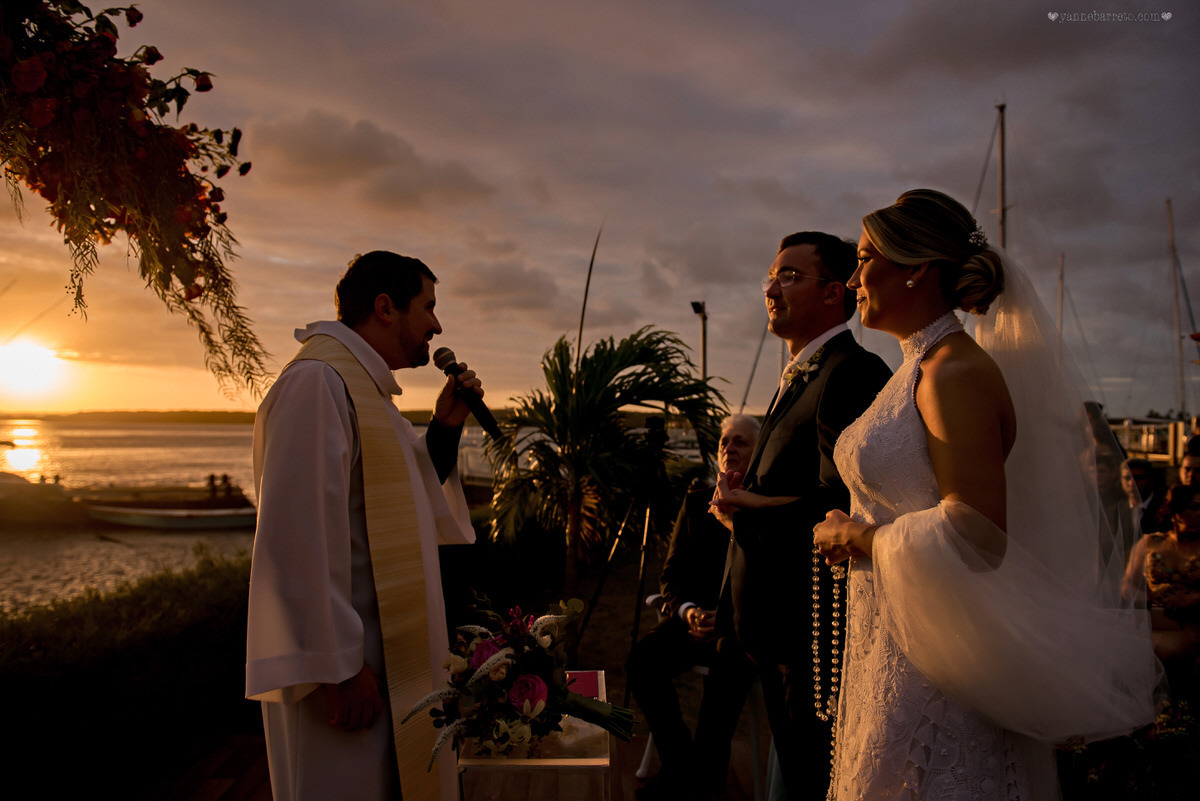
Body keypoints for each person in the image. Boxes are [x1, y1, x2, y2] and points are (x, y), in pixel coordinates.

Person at [813, 189, 1159, 799]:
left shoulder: (954, 371)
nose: (853, 278)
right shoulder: (918, 367)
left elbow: (976, 531)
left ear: (917, 268)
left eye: (865, 259)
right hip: (895, 639)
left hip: (938, 667)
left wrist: (858, 536)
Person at [245, 251, 480, 801]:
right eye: (428, 307)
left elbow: (406, 502)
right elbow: (295, 537)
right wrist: (339, 668)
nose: (437, 327)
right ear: (385, 307)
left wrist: (444, 430)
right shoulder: (316, 384)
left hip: (388, 673)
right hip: (348, 684)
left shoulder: (364, 392)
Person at [712, 231, 891, 801]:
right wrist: (741, 504)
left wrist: (751, 509)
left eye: (789, 276)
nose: (771, 289)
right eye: (771, 276)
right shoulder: (802, 372)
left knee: (815, 783)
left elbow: (842, 507)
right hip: (774, 635)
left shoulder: (851, 372)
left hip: (811, 638)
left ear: (835, 292)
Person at [628, 414, 761, 801]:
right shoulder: (696, 502)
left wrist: (728, 618)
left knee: (724, 679)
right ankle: (681, 765)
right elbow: (670, 576)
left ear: (759, 451)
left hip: (740, 630)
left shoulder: (766, 506)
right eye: (724, 442)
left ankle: (702, 785)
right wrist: (687, 611)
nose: (729, 447)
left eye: (740, 442)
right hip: (692, 622)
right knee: (642, 661)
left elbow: (772, 581)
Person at [1124, 483, 1200, 702]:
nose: (1199, 514)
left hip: (1192, 620)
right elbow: (1127, 584)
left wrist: (1193, 598)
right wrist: (1146, 597)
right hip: (1154, 618)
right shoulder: (1151, 542)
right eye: (1194, 507)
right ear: (1176, 511)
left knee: (1170, 652)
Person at [1123, 457, 1167, 535]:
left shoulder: (1165, 510)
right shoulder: (1114, 512)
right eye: (1127, 478)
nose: (1132, 483)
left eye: (1138, 478)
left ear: (1151, 479)